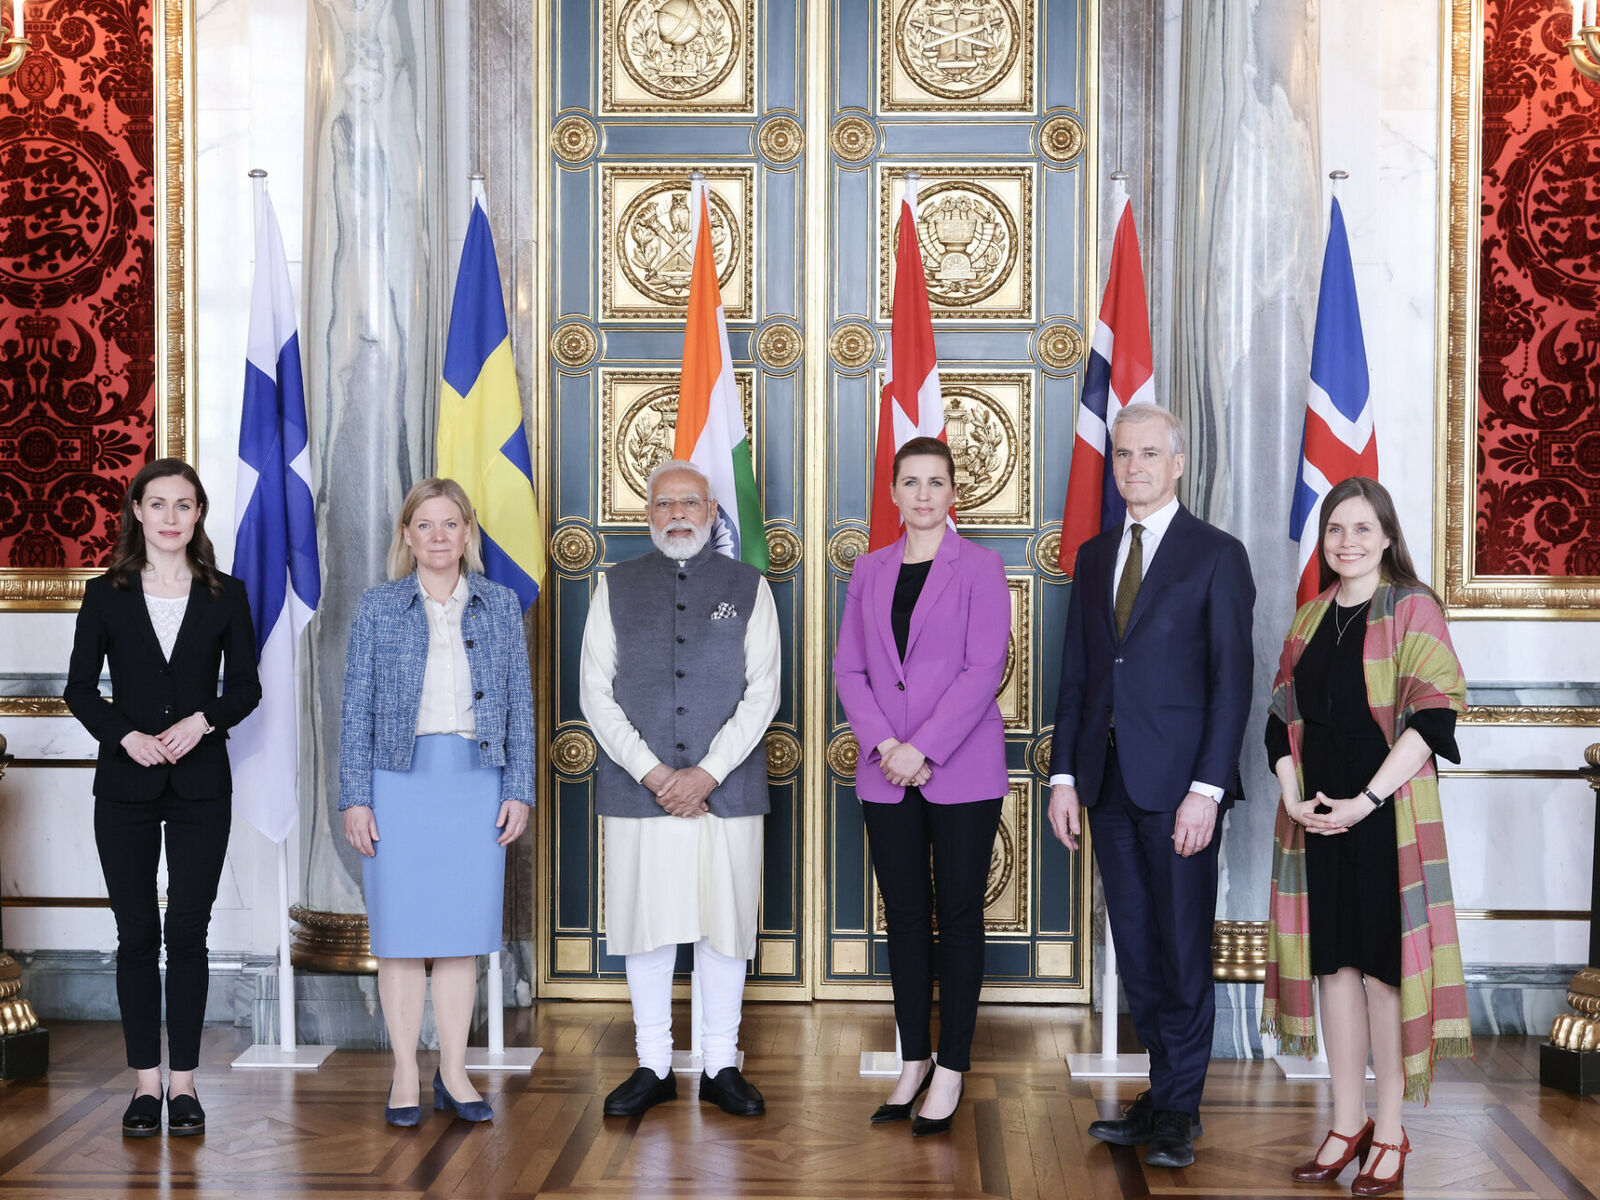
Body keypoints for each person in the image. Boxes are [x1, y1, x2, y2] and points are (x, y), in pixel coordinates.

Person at [1046, 402, 1254, 1169]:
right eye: (1123, 455)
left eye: (1148, 454)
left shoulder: (1215, 555)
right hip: (1106, 784)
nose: (1133, 466)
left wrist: (1207, 789)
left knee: (1181, 949)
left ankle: (1179, 1111)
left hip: (1179, 791)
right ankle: (1162, 1094)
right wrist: (1065, 775)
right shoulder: (1098, 554)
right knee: (1135, 949)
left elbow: (1233, 682)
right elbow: (1079, 675)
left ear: (1177, 463)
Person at [1262, 476, 1469, 1197]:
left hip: (1383, 822)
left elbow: (1432, 720)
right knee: (1335, 972)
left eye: (1360, 529)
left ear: (1386, 535)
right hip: (1317, 820)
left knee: (1382, 975)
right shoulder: (1311, 616)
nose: (1346, 542)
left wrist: (1366, 801)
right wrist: (1293, 795)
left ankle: (1389, 1130)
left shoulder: (1413, 607)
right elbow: (1278, 718)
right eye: (1334, 531)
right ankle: (1345, 1122)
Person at [65, 458, 262, 1138]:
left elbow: (245, 688)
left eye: (184, 505)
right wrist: (125, 737)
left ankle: (185, 1087)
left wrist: (202, 721)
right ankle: (144, 1087)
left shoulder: (225, 594)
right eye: (159, 504)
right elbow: (80, 690)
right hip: (125, 787)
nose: (172, 517)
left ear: (198, 514)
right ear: (138, 513)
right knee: (136, 935)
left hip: (202, 786)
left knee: (187, 934)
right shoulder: (106, 593)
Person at [580, 460, 780, 1119]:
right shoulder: (615, 585)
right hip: (642, 793)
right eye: (664, 503)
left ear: (713, 511)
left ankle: (721, 1064)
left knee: (724, 928)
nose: (677, 514)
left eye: (690, 503)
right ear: (647, 515)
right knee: (648, 928)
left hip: (728, 791)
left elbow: (764, 692)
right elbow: (595, 692)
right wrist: (657, 774)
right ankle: (654, 1065)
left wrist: (708, 773)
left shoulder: (749, 586)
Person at [339, 477, 533, 1126]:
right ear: (406, 535)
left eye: (452, 524)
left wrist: (519, 789)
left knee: (459, 937)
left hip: (475, 782)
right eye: (425, 525)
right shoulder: (378, 607)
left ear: (469, 534)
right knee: (399, 938)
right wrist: (355, 798)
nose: (439, 536)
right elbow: (354, 712)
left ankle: (453, 1071)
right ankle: (404, 1073)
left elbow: (521, 710)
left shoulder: (501, 605)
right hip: (398, 782)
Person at [833, 436, 1011, 1137]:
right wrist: (886, 746)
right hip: (885, 771)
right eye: (912, 482)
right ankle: (913, 1061)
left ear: (953, 492)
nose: (925, 494)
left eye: (937, 481)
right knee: (905, 918)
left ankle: (953, 1068)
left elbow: (983, 668)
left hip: (960, 770)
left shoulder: (982, 566)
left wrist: (923, 749)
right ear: (895, 493)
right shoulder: (870, 571)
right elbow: (850, 669)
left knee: (959, 917)